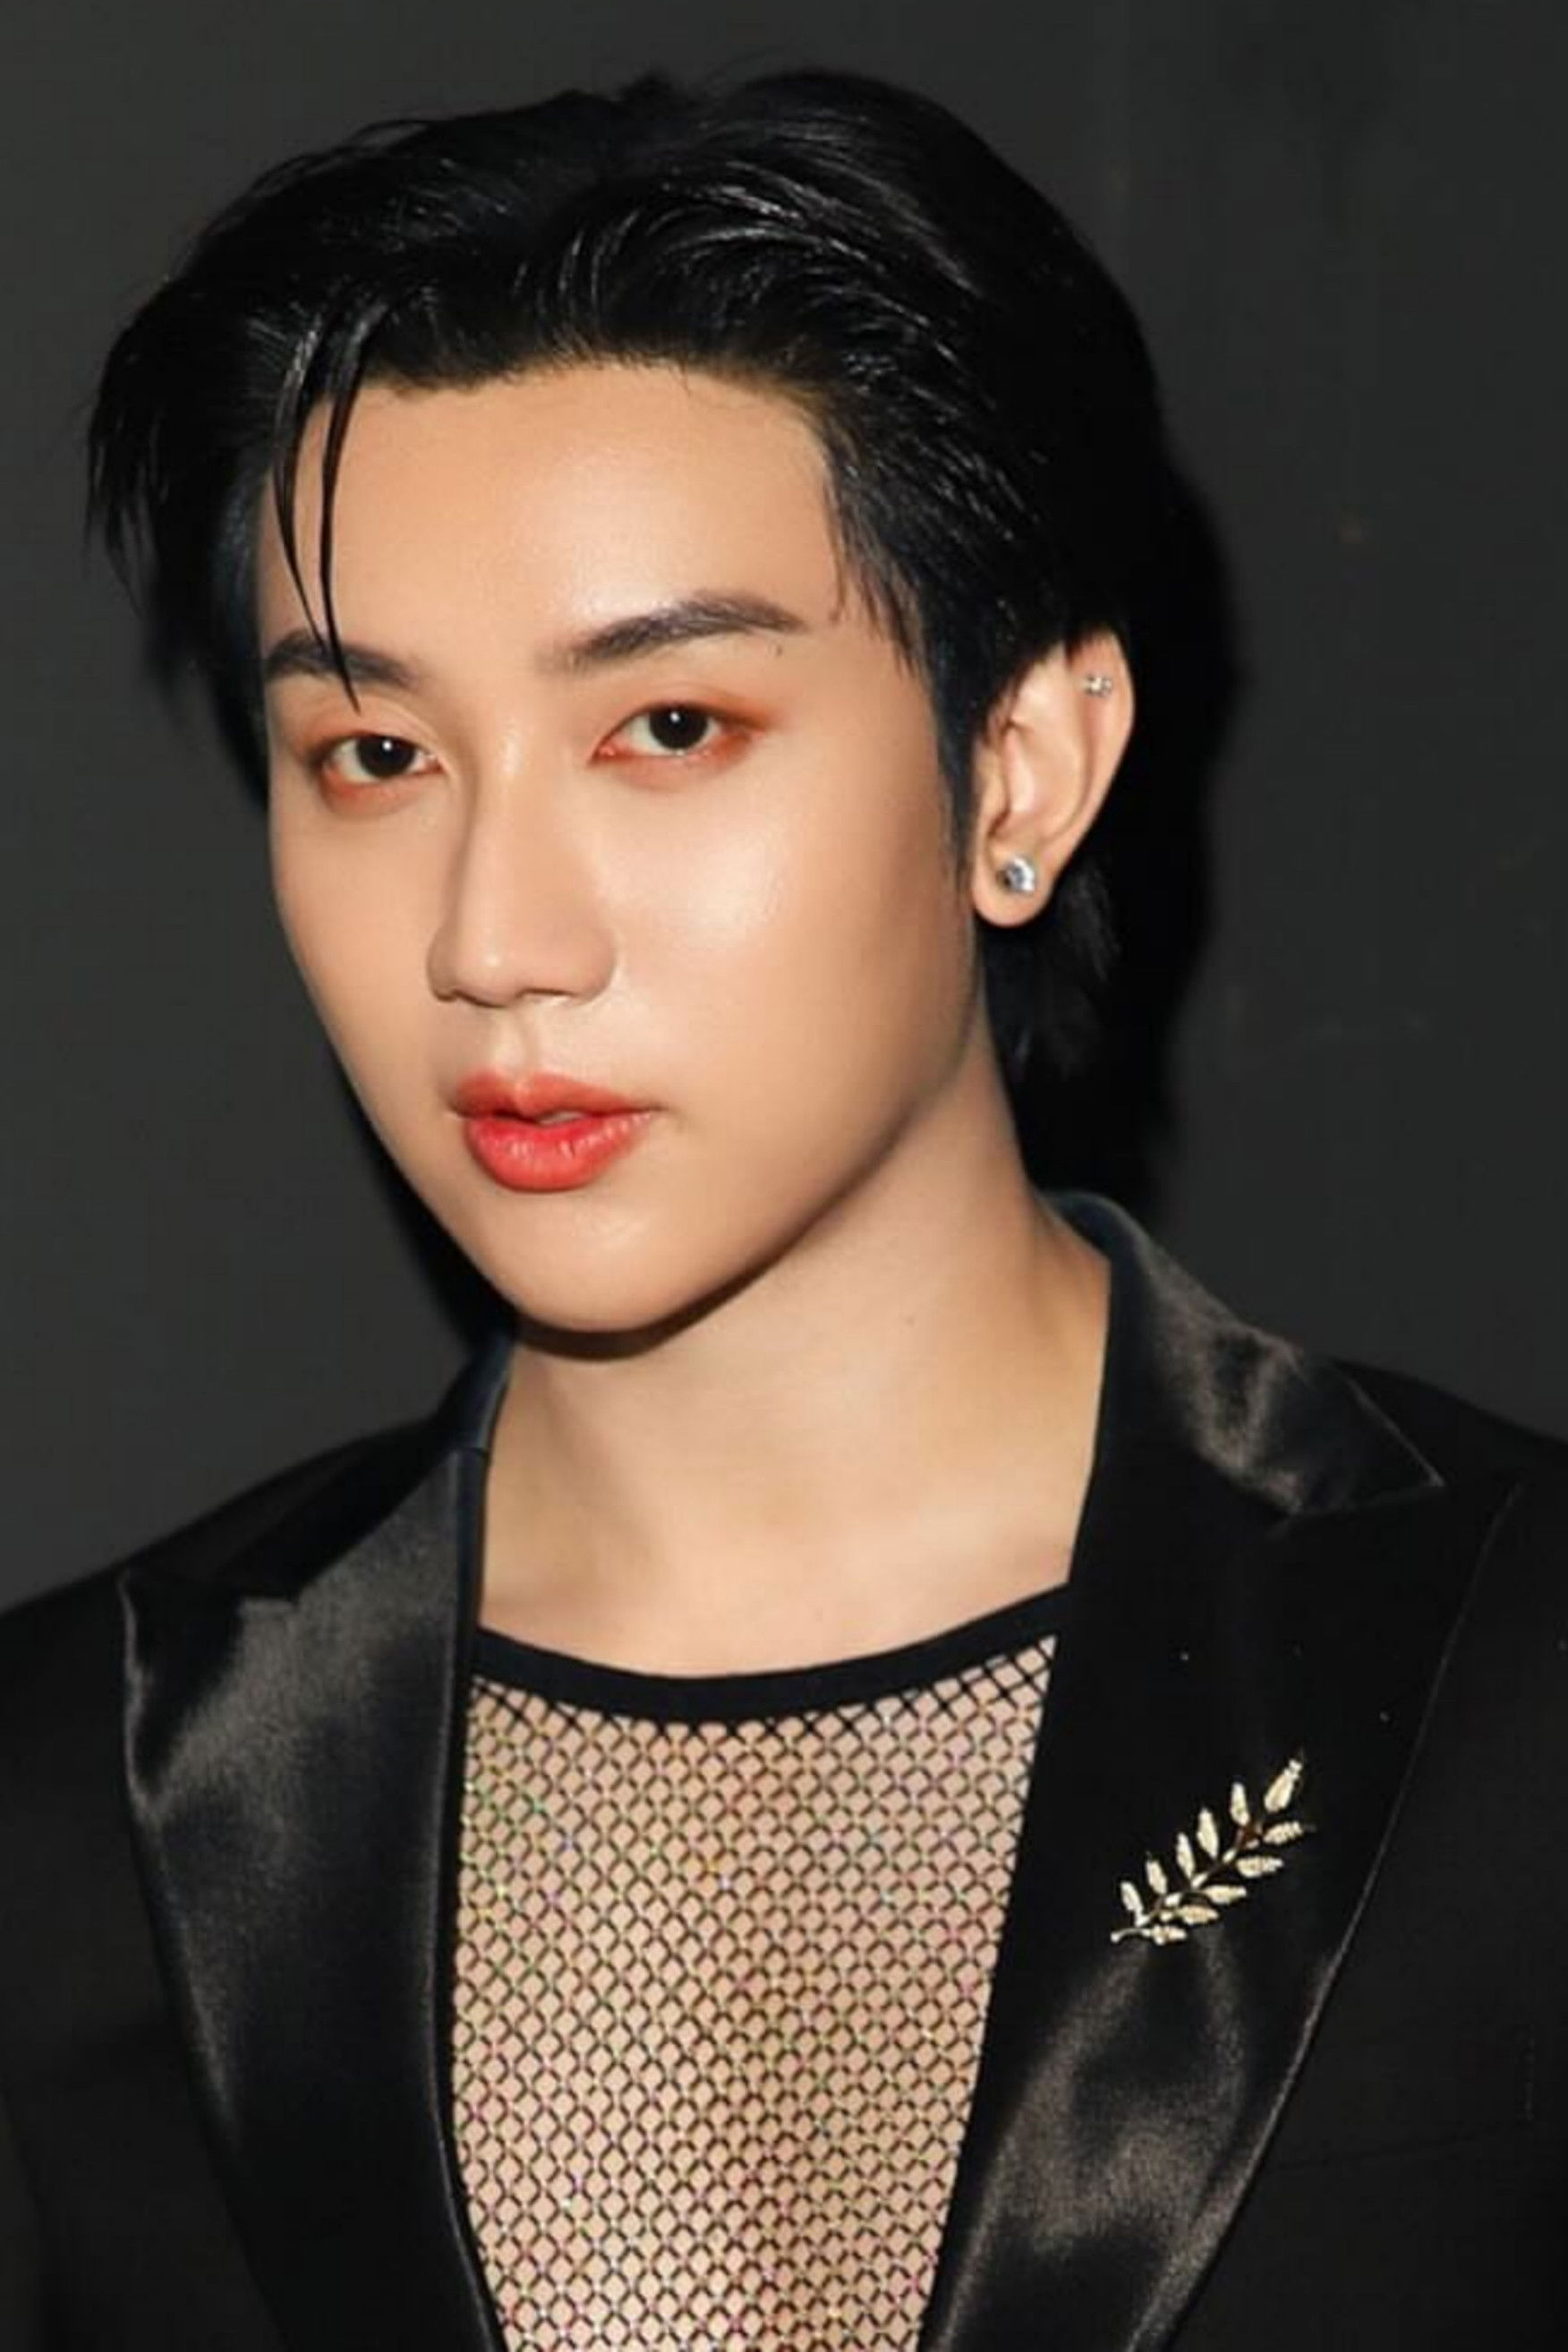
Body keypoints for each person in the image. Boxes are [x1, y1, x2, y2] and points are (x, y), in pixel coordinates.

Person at [1, 65, 1563, 2352]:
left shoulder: (1514, 1686)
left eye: (670, 730)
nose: (494, 939)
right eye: (376, 756)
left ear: (1022, 766)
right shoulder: (68, 1797)